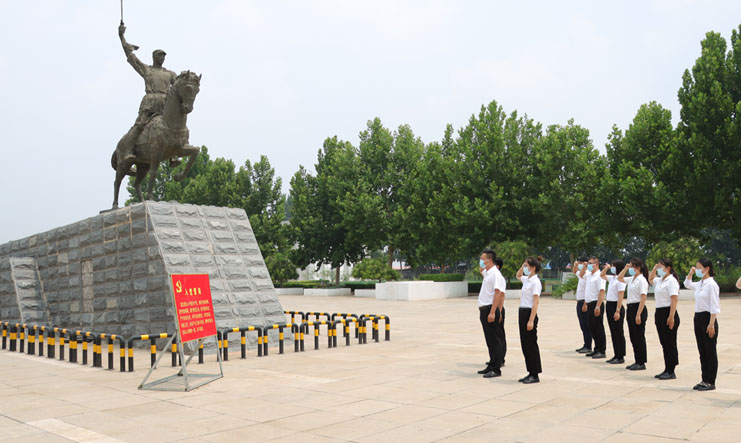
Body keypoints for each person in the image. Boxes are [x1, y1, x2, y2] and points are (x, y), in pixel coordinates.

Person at [118, 23, 177, 167]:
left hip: (165, 103)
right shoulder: (147, 70)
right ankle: (128, 152)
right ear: (154, 57)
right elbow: (132, 57)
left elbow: (179, 85)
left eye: (163, 56)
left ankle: (173, 156)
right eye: (159, 55)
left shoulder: (169, 74)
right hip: (150, 102)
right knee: (139, 126)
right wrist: (122, 37)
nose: (162, 58)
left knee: (174, 126)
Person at [684, 258, 720, 391]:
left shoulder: (712, 284)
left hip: (708, 319)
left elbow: (714, 306)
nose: (697, 269)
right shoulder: (700, 283)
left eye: (699, 267)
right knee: (702, 351)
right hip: (698, 318)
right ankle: (704, 379)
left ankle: (710, 381)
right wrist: (691, 273)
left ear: (707, 269)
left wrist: (711, 325)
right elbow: (687, 284)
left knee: (710, 351)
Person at [477, 249, 507, 378]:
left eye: (483, 259)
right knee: (490, 340)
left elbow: (499, 293)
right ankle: (491, 364)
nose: (481, 261)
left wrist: (494, 311)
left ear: (489, 261)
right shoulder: (488, 273)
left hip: (490, 309)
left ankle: (496, 368)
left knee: (495, 340)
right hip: (484, 309)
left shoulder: (495, 274)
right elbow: (481, 270)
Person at [649, 259, 680, 380]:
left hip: (668, 312)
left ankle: (671, 370)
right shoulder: (660, 280)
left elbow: (674, 299)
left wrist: (671, 317)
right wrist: (654, 268)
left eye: (660, 266)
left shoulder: (671, 280)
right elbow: (650, 279)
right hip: (660, 312)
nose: (658, 269)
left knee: (670, 342)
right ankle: (667, 368)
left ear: (667, 268)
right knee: (664, 343)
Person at [618, 258, 649, 370]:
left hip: (638, 308)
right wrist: (625, 268)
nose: (631, 269)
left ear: (638, 268)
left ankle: (641, 362)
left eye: (632, 267)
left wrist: (638, 314)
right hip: (630, 308)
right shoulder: (632, 279)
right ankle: (637, 360)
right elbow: (619, 278)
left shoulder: (642, 280)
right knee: (633, 336)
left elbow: (643, 297)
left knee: (639, 336)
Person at [516, 257, 543, 383]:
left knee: (531, 344)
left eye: (527, 266)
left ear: (533, 268)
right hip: (522, 312)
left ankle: (535, 373)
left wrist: (531, 320)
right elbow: (518, 275)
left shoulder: (535, 282)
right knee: (525, 345)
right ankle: (530, 371)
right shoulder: (527, 280)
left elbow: (536, 302)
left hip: (529, 313)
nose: (525, 268)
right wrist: (523, 265)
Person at [600, 260, 627, 364]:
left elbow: (621, 296)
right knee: (613, 332)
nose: (612, 268)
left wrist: (618, 310)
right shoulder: (613, 278)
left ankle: (620, 356)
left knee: (618, 332)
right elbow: (602, 275)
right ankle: (616, 354)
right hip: (610, 305)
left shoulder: (621, 280)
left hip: (616, 306)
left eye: (613, 266)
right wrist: (606, 268)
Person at [581, 257, 607, 359]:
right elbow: (581, 275)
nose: (589, 265)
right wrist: (584, 266)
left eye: (591, 263)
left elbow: (601, 291)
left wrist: (598, 306)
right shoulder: (589, 275)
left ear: (596, 264)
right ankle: (596, 348)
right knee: (592, 327)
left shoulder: (599, 276)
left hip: (596, 304)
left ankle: (602, 350)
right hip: (589, 303)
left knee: (598, 328)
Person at [573, 257, 593, 354]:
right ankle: (586, 344)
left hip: (584, 302)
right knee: (582, 325)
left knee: (587, 325)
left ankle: (589, 345)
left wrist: (585, 303)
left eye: (581, 263)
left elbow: (588, 291)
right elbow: (575, 271)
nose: (580, 264)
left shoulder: (588, 275)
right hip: (579, 301)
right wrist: (575, 265)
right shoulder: (582, 274)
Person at [494, 257, 507, 366]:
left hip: (499, 308)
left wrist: (499, 311)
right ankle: (495, 358)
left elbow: (501, 295)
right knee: (494, 335)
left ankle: (501, 359)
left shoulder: (499, 278)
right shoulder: (492, 276)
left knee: (499, 335)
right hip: (495, 308)